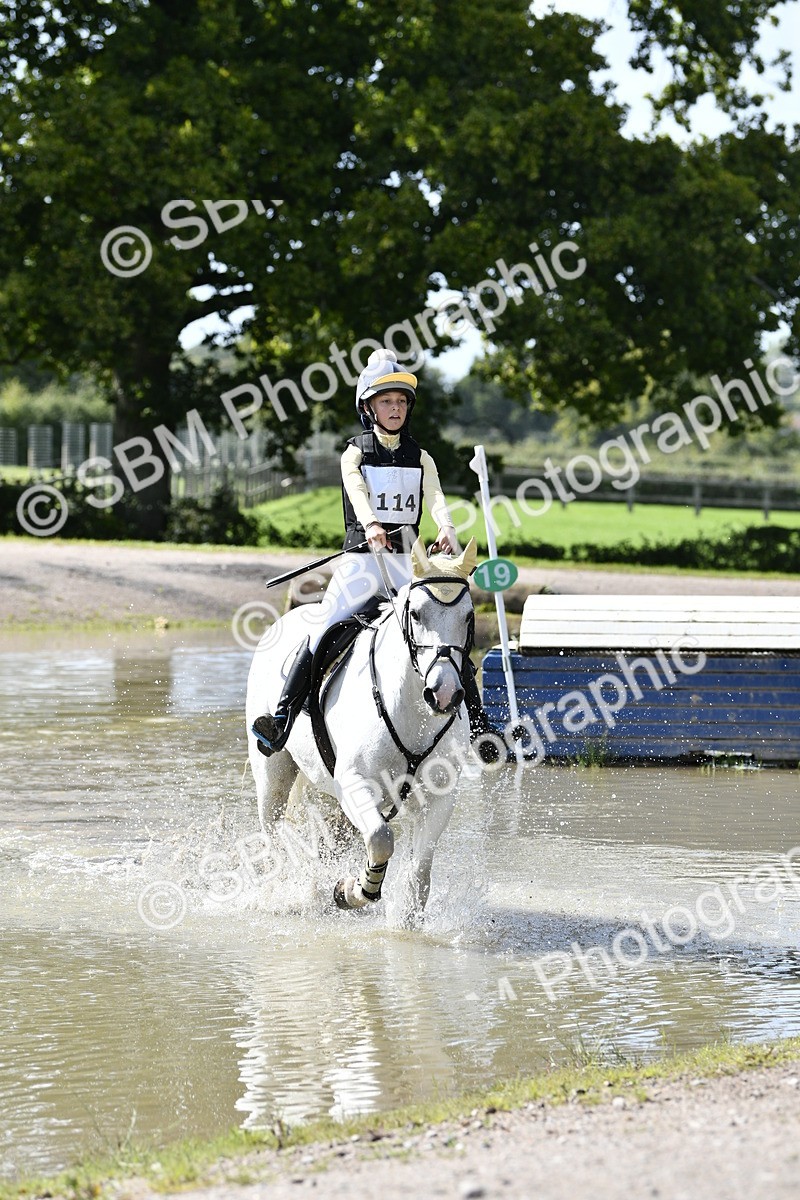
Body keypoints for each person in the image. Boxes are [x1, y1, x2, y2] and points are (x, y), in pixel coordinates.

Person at [251, 347, 501, 759]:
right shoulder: (355, 453)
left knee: (445, 634)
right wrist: (370, 524)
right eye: (386, 401)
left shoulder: (421, 457)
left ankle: (478, 727)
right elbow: (357, 491)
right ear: (368, 408)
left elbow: (435, 496)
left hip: (406, 567)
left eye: (401, 401)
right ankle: (281, 720)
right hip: (361, 567)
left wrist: (447, 527)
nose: (395, 408)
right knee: (320, 632)